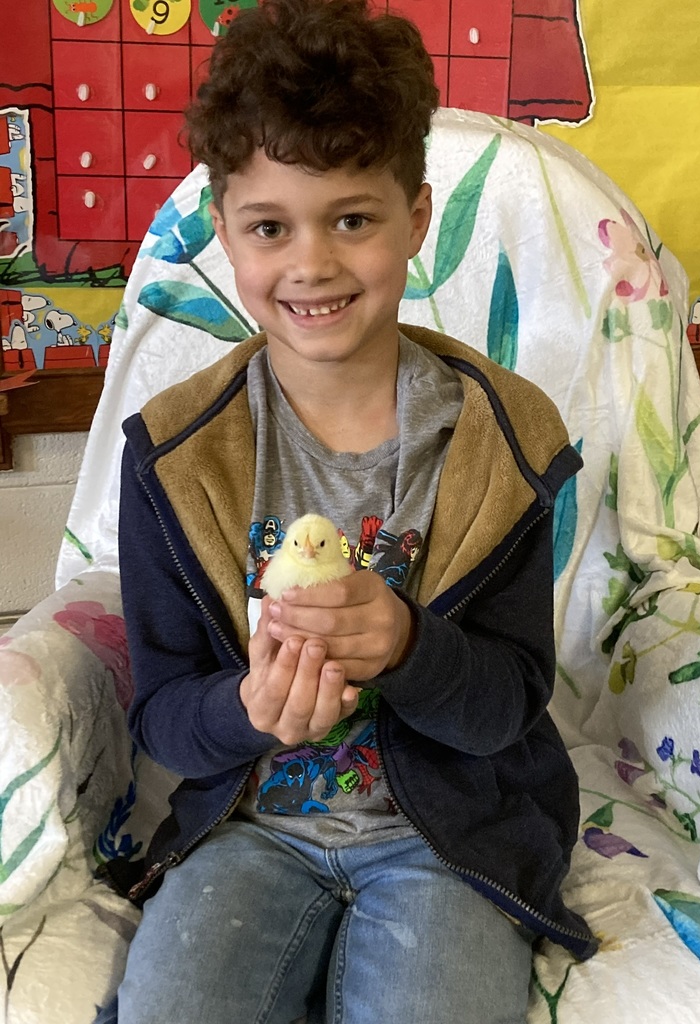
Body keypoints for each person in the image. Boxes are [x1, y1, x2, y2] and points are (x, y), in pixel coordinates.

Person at [100, 0, 597, 1020]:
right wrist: (247, 709)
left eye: (353, 219)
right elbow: (161, 714)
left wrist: (410, 644)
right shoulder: (174, 451)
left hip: (446, 844)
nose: (313, 264)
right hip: (248, 831)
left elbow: (510, 698)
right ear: (224, 232)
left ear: (416, 218)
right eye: (271, 226)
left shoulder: (502, 439)